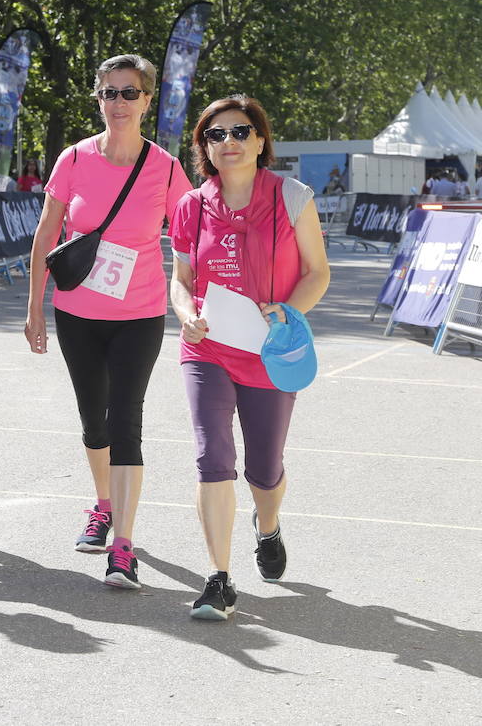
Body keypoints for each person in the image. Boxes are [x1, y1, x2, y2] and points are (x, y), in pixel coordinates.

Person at [24, 54, 191, 589]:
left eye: (129, 93)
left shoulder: (165, 168)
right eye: (109, 93)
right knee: (93, 422)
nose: (118, 102)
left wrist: (197, 299)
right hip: (77, 313)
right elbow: (46, 236)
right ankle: (103, 503)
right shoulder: (73, 159)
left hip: (139, 315)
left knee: (125, 421)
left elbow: (192, 239)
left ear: (147, 102)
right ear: (98, 99)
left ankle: (124, 546)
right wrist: (34, 308)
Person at [168, 94, 330, 621]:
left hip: (269, 352)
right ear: (205, 149)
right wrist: (185, 312)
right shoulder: (191, 207)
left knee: (264, 469)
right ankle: (218, 579)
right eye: (217, 135)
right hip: (207, 350)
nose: (229, 142)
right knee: (213, 457)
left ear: (261, 141)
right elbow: (181, 280)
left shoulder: (291, 196)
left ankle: (268, 525)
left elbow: (317, 272)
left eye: (241, 132)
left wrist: (285, 314)